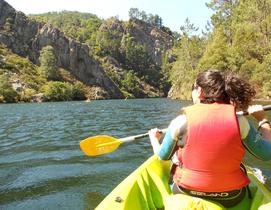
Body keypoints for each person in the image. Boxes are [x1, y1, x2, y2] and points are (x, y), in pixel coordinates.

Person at [148, 69, 271, 208]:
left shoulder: (180, 122)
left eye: (193, 89)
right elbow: (267, 154)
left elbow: (162, 156)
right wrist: (263, 120)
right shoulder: (240, 122)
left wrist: (154, 139)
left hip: (186, 192)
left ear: (199, 91)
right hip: (232, 197)